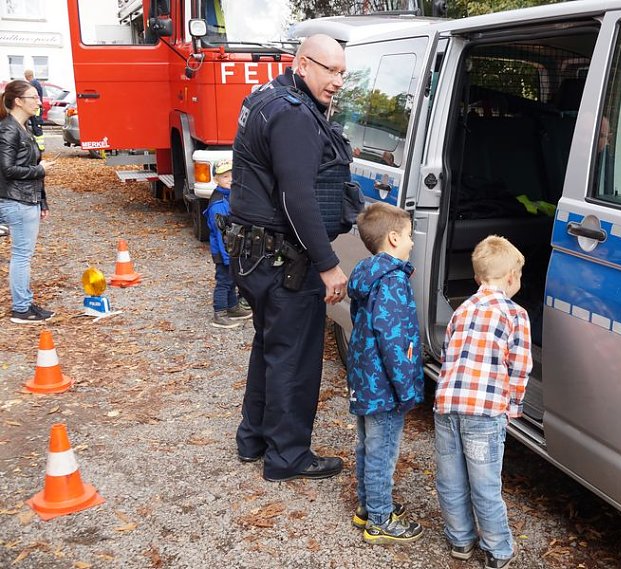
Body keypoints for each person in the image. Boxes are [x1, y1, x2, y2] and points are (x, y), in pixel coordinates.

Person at [227, 34, 352, 482]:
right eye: (329, 70)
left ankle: (254, 438)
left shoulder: (265, 95)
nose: (337, 81)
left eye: (342, 72)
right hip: (283, 260)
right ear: (301, 64)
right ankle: (288, 457)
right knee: (294, 357)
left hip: (253, 254)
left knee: (270, 346)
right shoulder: (295, 115)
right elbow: (297, 197)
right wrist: (327, 263)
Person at [433, 235, 533, 569]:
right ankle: (498, 549)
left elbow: (448, 354)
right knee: (485, 482)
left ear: (477, 278)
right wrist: (513, 406)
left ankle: (460, 540)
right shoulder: (515, 315)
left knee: (451, 478)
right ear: (511, 278)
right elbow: (519, 366)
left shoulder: (462, 309)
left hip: (447, 406)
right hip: (484, 412)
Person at [346, 202, 424, 544]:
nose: (411, 242)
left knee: (368, 445)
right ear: (393, 238)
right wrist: (407, 390)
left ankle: (368, 506)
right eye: (408, 236)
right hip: (385, 387)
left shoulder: (368, 272)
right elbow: (394, 341)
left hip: (365, 380)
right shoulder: (392, 281)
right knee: (383, 450)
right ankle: (379, 519)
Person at [0, 80, 55, 323]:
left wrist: (41, 201)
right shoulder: (8, 130)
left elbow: (29, 164)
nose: (38, 102)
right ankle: (21, 309)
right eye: (33, 97)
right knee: (22, 256)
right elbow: (7, 169)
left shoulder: (24, 127)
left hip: (27, 200)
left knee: (23, 255)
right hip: (16, 201)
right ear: (18, 101)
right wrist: (40, 171)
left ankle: (25, 303)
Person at [204, 159, 252, 328]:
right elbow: (220, 234)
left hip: (233, 249)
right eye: (225, 176)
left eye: (232, 175)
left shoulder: (230, 196)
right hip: (224, 250)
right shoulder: (218, 204)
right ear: (216, 179)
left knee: (232, 279)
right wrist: (227, 256)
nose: (230, 179)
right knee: (224, 280)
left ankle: (232, 307)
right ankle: (220, 313)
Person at [23, 70, 45, 152]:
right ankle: (39, 146)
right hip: (37, 107)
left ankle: (40, 147)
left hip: (36, 108)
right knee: (35, 126)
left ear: (26, 76)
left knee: (36, 126)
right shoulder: (36, 83)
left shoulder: (32, 84)